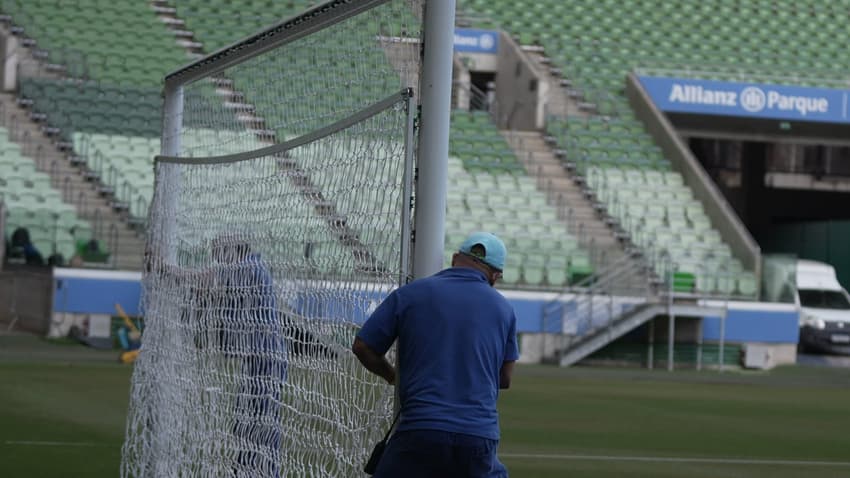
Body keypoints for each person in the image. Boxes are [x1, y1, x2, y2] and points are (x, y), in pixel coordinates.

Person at [352, 231, 519, 477]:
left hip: (421, 427)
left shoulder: (410, 294)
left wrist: (393, 376)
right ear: (496, 275)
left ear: (454, 259)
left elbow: (362, 347)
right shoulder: (504, 309)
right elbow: (505, 378)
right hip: (478, 434)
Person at [209, 236, 287, 477]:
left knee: (262, 417)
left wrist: (168, 270)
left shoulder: (247, 267)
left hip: (267, 356)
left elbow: (206, 281)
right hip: (259, 356)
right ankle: (245, 466)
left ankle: (263, 469)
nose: (216, 258)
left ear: (235, 250)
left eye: (219, 252)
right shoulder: (249, 267)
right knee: (248, 416)